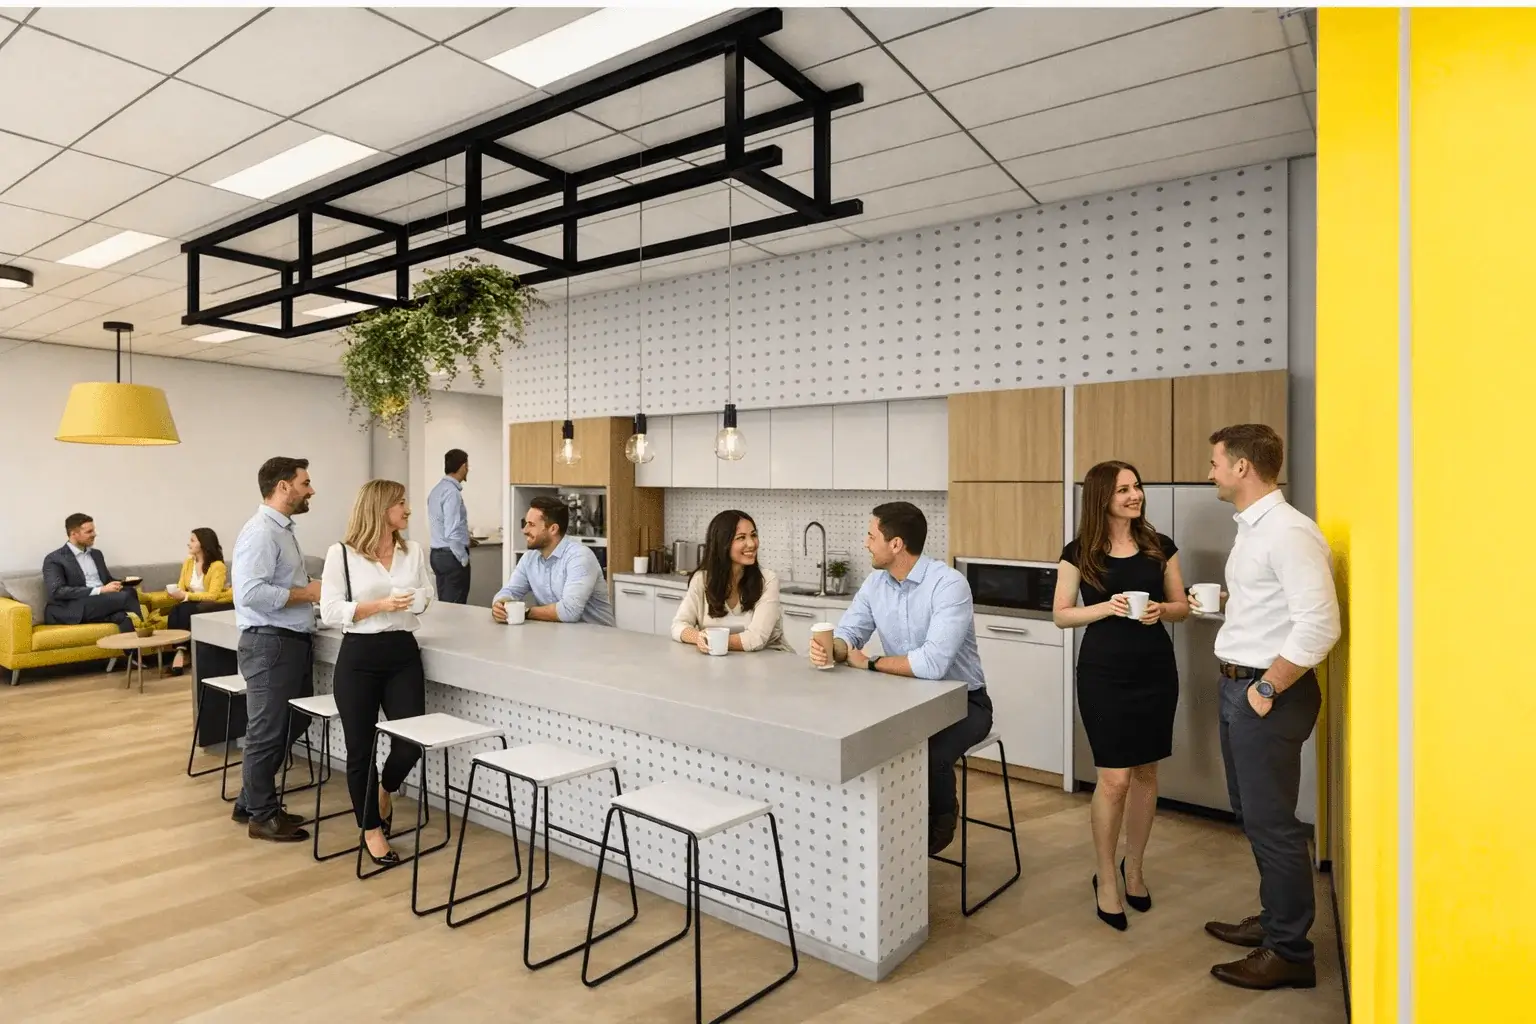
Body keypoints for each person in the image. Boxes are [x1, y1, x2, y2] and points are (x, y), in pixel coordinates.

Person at [1193, 424, 1340, 991]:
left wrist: (1268, 688)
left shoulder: (1288, 532)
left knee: (1274, 825)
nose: (1210, 472)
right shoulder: (1255, 530)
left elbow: (1320, 623)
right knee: (1253, 814)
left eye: (1215, 463)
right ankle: (1276, 921)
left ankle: (1289, 952)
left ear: (1242, 468)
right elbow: (1279, 604)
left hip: (1267, 695)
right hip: (1243, 689)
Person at [809, 502, 991, 855]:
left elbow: (933, 664)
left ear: (896, 544)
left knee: (927, 751)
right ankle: (876, 834)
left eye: (871, 535)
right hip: (903, 698)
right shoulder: (876, 584)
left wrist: (871, 663)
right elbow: (851, 630)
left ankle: (935, 828)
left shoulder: (949, 585)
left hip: (965, 704)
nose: (866, 543)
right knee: (862, 740)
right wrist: (836, 648)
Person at [1054, 461, 1189, 931]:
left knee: (1147, 773)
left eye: (1137, 486)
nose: (1135, 495)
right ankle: (1106, 877)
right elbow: (1061, 615)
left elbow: (1182, 608)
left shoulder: (1159, 546)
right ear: (1101, 499)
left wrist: (1161, 610)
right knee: (1114, 780)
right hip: (1103, 675)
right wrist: (1104, 608)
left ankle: (1136, 868)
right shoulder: (1078, 553)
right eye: (1124, 490)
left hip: (1154, 670)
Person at [320, 479, 434, 867]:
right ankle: (370, 828)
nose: (408, 510)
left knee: (410, 742)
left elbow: (426, 596)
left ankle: (385, 789)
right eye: (401, 503)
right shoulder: (341, 554)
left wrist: (414, 600)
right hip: (359, 657)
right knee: (360, 749)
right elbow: (332, 611)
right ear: (380, 507)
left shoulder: (413, 550)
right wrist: (378, 605)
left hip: (403, 652)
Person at [231, 457, 322, 843]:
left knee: (295, 721)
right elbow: (250, 592)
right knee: (266, 733)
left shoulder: (281, 530)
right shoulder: (262, 532)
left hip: (288, 640)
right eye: (305, 483)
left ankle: (250, 801)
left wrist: (312, 591)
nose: (311, 489)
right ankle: (262, 817)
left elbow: (280, 582)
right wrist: (307, 594)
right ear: (284, 487)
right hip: (271, 642)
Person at [670, 510, 791, 654]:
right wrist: (698, 637)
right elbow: (678, 625)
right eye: (741, 538)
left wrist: (712, 640)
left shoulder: (767, 580)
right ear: (722, 543)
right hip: (722, 663)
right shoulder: (701, 580)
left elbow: (756, 639)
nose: (751, 543)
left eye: (753, 535)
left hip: (773, 664)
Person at [492, 496, 613, 626]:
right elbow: (509, 591)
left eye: (531, 525)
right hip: (558, 637)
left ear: (553, 529)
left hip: (597, 640)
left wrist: (523, 611)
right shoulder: (529, 559)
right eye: (525, 523)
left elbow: (569, 612)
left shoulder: (580, 557)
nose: (525, 530)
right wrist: (500, 605)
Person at [142, 527, 233, 675]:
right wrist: (175, 592)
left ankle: (181, 655)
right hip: (191, 602)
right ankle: (182, 651)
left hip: (210, 605)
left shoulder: (217, 566)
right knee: (175, 612)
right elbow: (181, 586)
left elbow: (212, 595)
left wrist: (186, 596)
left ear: (203, 543)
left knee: (184, 609)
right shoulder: (188, 562)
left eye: (192, 540)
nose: (188, 544)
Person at [41, 514, 141, 633]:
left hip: (99, 602)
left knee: (123, 615)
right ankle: (147, 629)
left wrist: (125, 583)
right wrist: (100, 590)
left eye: (93, 530)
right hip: (75, 606)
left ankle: (135, 651)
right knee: (127, 596)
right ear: (73, 534)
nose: (94, 534)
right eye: (89, 531)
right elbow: (57, 591)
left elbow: (106, 580)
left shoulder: (96, 554)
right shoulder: (54, 559)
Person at [427, 448, 473, 604]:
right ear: (462, 466)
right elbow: (451, 531)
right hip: (451, 556)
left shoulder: (436, 490)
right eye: (467, 466)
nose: (468, 469)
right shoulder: (452, 493)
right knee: (456, 608)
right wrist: (463, 558)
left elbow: (439, 523)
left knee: (446, 605)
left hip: (437, 555)